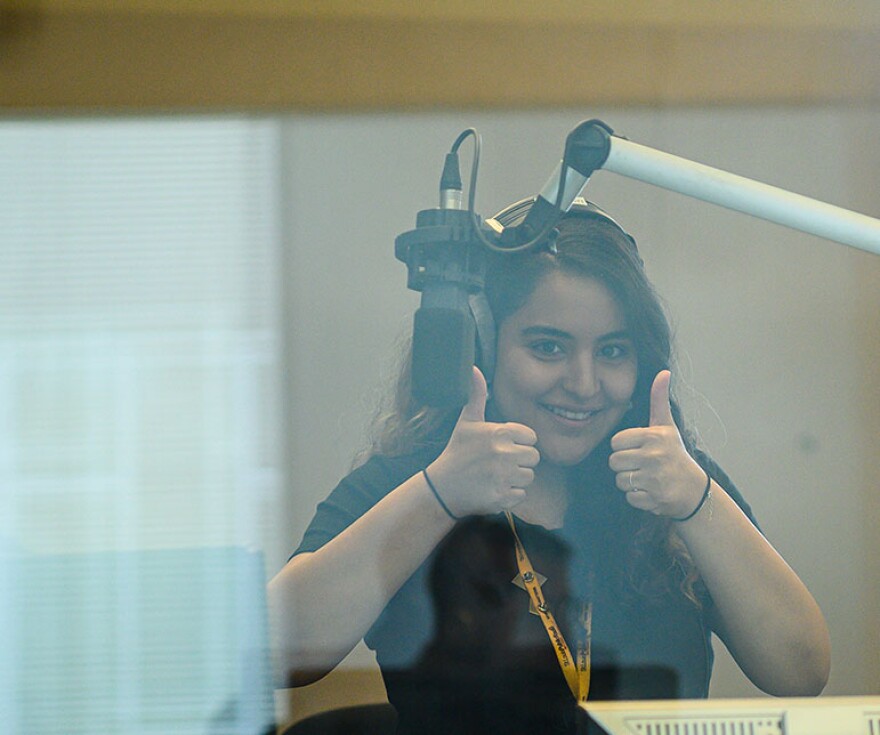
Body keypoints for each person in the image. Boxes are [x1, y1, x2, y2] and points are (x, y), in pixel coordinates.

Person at [269, 198, 830, 733]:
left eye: (612, 351)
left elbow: (800, 671)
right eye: (549, 347)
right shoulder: (414, 480)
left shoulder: (671, 483)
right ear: (482, 347)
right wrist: (438, 495)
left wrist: (697, 501)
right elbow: (274, 652)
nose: (584, 385)